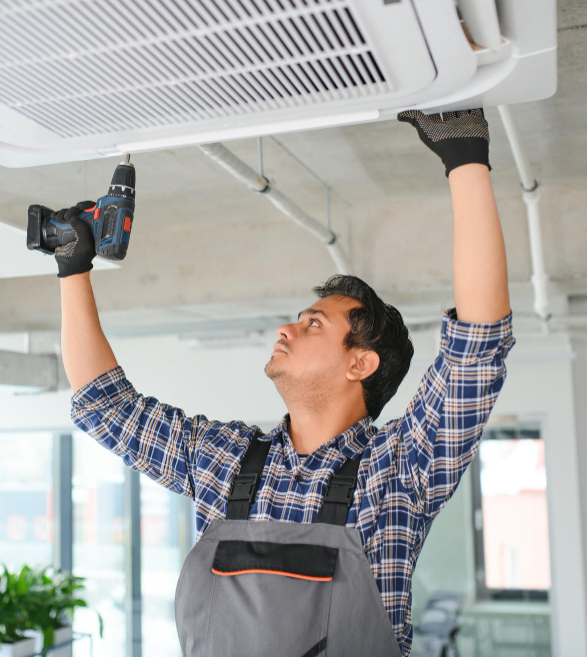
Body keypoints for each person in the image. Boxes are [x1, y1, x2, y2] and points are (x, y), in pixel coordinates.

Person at [49, 109, 515, 656]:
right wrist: (71, 267)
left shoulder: (399, 471)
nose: (286, 328)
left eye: (313, 322)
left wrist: (464, 157)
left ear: (359, 364)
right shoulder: (226, 460)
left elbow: (477, 345)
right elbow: (107, 407)